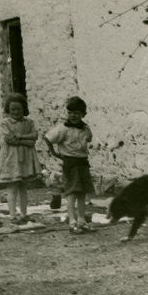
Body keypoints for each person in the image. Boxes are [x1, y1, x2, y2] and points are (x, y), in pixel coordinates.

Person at [44, 95, 94, 234]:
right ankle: (72, 221)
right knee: (71, 192)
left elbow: (89, 139)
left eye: (76, 113)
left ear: (83, 114)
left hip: (83, 163)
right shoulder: (63, 128)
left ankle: (82, 220)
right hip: (70, 164)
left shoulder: (85, 129)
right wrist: (53, 152)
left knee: (82, 193)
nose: (73, 116)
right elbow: (48, 137)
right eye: (70, 113)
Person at [0, 93, 41, 225]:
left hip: (25, 158)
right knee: (12, 186)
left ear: (24, 109)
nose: (15, 112)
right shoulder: (6, 123)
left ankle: (24, 214)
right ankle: (13, 215)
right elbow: (10, 139)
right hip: (11, 158)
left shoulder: (29, 122)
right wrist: (26, 139)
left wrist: (19, 136)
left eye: (18, 109)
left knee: (23, 187)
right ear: (8, 110)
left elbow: (34, 137)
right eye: (12, 109)